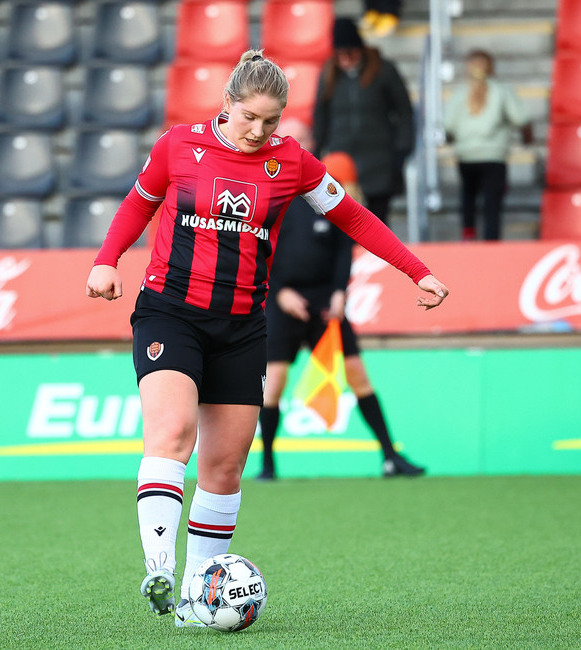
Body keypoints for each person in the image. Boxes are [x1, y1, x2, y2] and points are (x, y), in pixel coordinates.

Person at [85, 50, 448, 629]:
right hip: (170, 314)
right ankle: (159, 567)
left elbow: (353, 218)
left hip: (242, 327)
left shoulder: (293, 161)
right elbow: (138, 204)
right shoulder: (178, 145)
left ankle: (193, 600)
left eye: (271, 120)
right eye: (249, 116)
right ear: (227, 103)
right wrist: (107, 260)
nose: (258, 130)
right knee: (172, 434)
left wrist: (416, 271)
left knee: (226, 467)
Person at [258, 119, 425, 481]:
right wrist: (279, 290)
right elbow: (258, 249)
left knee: (357, 375)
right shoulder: (268, 192)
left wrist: (339, 292)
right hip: (283, 300)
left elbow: (342, 248)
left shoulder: (325, 188)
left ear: (312, 142)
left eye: (302, 138)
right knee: (274, 382)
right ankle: (267, 465)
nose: (296, 144)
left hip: (325, 301)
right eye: (288, 138)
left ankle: (390, 457)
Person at [313, 17, 414, 228]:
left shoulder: (383, 70)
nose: (346, 60)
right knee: (344, 226)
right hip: (342, 163)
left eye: (350, 53)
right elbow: (320, 116)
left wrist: (402, 151)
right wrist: (316, 151)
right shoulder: (328, 74)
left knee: (378, 225)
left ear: (360, 49)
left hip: (379, 162)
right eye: (340, 55)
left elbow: (404, 112)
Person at [444, 49, 533, 241]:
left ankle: (468, 233)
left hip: (466, 155)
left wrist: (457, 140)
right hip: (494, 156)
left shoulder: (460, 93)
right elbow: (520, 118)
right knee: (492, 203)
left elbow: (448, 126)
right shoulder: (502, 91)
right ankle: (491, 242)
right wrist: (528, 139)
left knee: (468, 195)